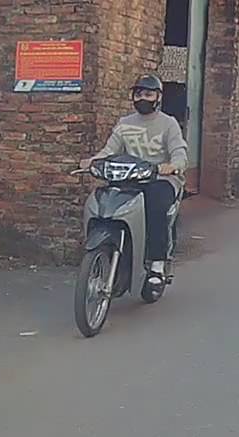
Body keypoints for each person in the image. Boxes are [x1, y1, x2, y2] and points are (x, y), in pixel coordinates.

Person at [80, 74, 188, 287]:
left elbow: (179, 152)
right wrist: (92, 161)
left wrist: (173, 165)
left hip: (160, 179)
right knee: (104, 199)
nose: (142, 98)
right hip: (129, 178)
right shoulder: (124, 123)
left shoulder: (168, 123)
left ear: (158, 97)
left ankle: (157, 263)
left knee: (155, 206)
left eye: (148, 94)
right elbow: (110, 149)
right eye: (138, 94)